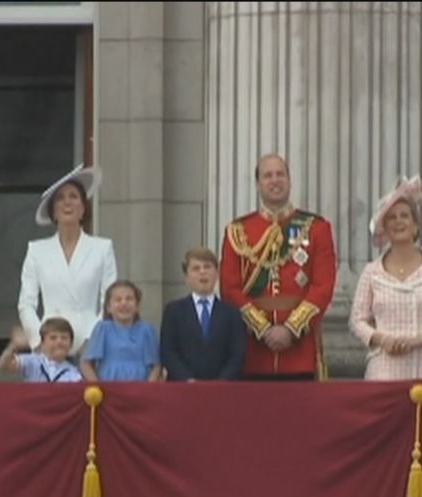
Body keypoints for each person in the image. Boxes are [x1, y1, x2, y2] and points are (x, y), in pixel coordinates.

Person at [219, 154, 337, 380]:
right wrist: (263, 329)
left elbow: (323, 286)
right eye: (268, 175)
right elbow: (229, 288)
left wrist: (291, 328)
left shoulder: (316, 228)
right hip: (253, 353)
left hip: (299, 353)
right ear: (257, 184)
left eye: (280, 174)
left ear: (290, 181)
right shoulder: (238, 232)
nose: (275, 180)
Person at [349, 176, 422, 381]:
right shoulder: (371, 272)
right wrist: (382, 339)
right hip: (383, 368)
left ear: (416, 225)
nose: (399, 221)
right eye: (392, 217)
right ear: (385, 227)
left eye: (404, 216)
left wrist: (421, 339)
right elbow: (357, 320)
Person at [18, 164, 118, 354]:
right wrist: (40, 342)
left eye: (73, 197)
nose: (67, 203)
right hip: (49, 343)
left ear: (83, 208)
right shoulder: (36, 250)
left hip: (90, 344)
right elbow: (26, 303)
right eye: (61, 199)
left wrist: (92, 343)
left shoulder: (102, 248)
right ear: (53, 212)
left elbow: (109, 300)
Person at [159, 248, 246, 382]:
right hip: (183, 388)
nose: (202, 272)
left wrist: (221, 382)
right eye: (196, 268)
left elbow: (237, 354)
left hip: (221, 390)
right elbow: (168, 352)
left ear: (217, 274)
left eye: (207, 267)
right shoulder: (174, 311)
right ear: (186, 277)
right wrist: (187, 379)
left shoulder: (231, 313)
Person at [79, 279, 161, 382]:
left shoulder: (147, 330)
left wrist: (148, 388)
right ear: (108, 307)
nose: (124, 303)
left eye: (129, 299)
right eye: (118, 300)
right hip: (108, 388)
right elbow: (86, 363)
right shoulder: (103, 329)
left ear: (137, 306)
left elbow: (156, 366)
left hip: (140, 388)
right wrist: (97, 385)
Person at [0, 317, 83, 383]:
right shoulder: (33, 361)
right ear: (42, 343)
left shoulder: (75, 374)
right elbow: (4, 365)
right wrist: (14, 346)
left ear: (71, 344)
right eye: (53, 338)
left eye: (64, 338)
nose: (59, 341)